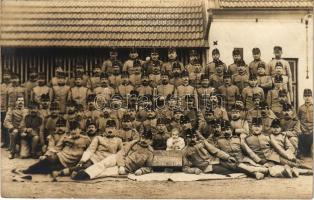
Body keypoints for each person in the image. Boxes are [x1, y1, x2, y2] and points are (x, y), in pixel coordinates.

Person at [15, 121, 90, 177]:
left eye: (75, 129)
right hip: (61, 156)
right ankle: (26, 170)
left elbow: (90, 151)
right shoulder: (66, 137)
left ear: (80, 130)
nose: (73, 131)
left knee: (50, 169)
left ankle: (28, 171)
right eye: (71, 129)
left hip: (70, 163)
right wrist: (46, 155)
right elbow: (57, 148)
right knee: (46, 160)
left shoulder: (86, 139)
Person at [72, 129, 154, 180]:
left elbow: (149, 167)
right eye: (143, 137)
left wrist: (141, 170)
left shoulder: (150, 152)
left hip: (126, 168)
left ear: (150, 141)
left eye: (146, 139)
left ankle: (87, 176)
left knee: (105, 173)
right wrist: (121, 164)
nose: (143, 140)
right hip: (117, 158)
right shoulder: (134, 143)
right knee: (102, 164)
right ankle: (84, 173)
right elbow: (122, 152)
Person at [4, 95, 29, 159]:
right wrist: (12, 127)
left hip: (24, 131)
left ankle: (24, 148)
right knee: (15, 132)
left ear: (24, 102)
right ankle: (12, 152)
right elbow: (6, 121)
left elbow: (29, 121)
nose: (20, 102)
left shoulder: (27, 110)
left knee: (23, 155)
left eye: (22, 100)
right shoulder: (11, 110)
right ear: (16, 102)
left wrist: (25, 130)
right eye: (19, 100)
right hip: (15, 130)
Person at [298, 89, 313, 157]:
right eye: (305, 96)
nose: (307, 98)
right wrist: (300, 128)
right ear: (303, 97)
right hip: (303, 129)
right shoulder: (301, 108)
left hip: (312, 129)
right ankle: (302, 153)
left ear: (311, 97)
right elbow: (298, 119)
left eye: (309, 96)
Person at [1, 68, 11, 148]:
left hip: (10, 108)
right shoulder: (1, 85)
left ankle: (11, 143)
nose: (6, 76)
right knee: (3, 125)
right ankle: (4, 141)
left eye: (8, 75)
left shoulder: (13, 85)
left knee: (10, 125)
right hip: (2, 108)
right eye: (5, 75)